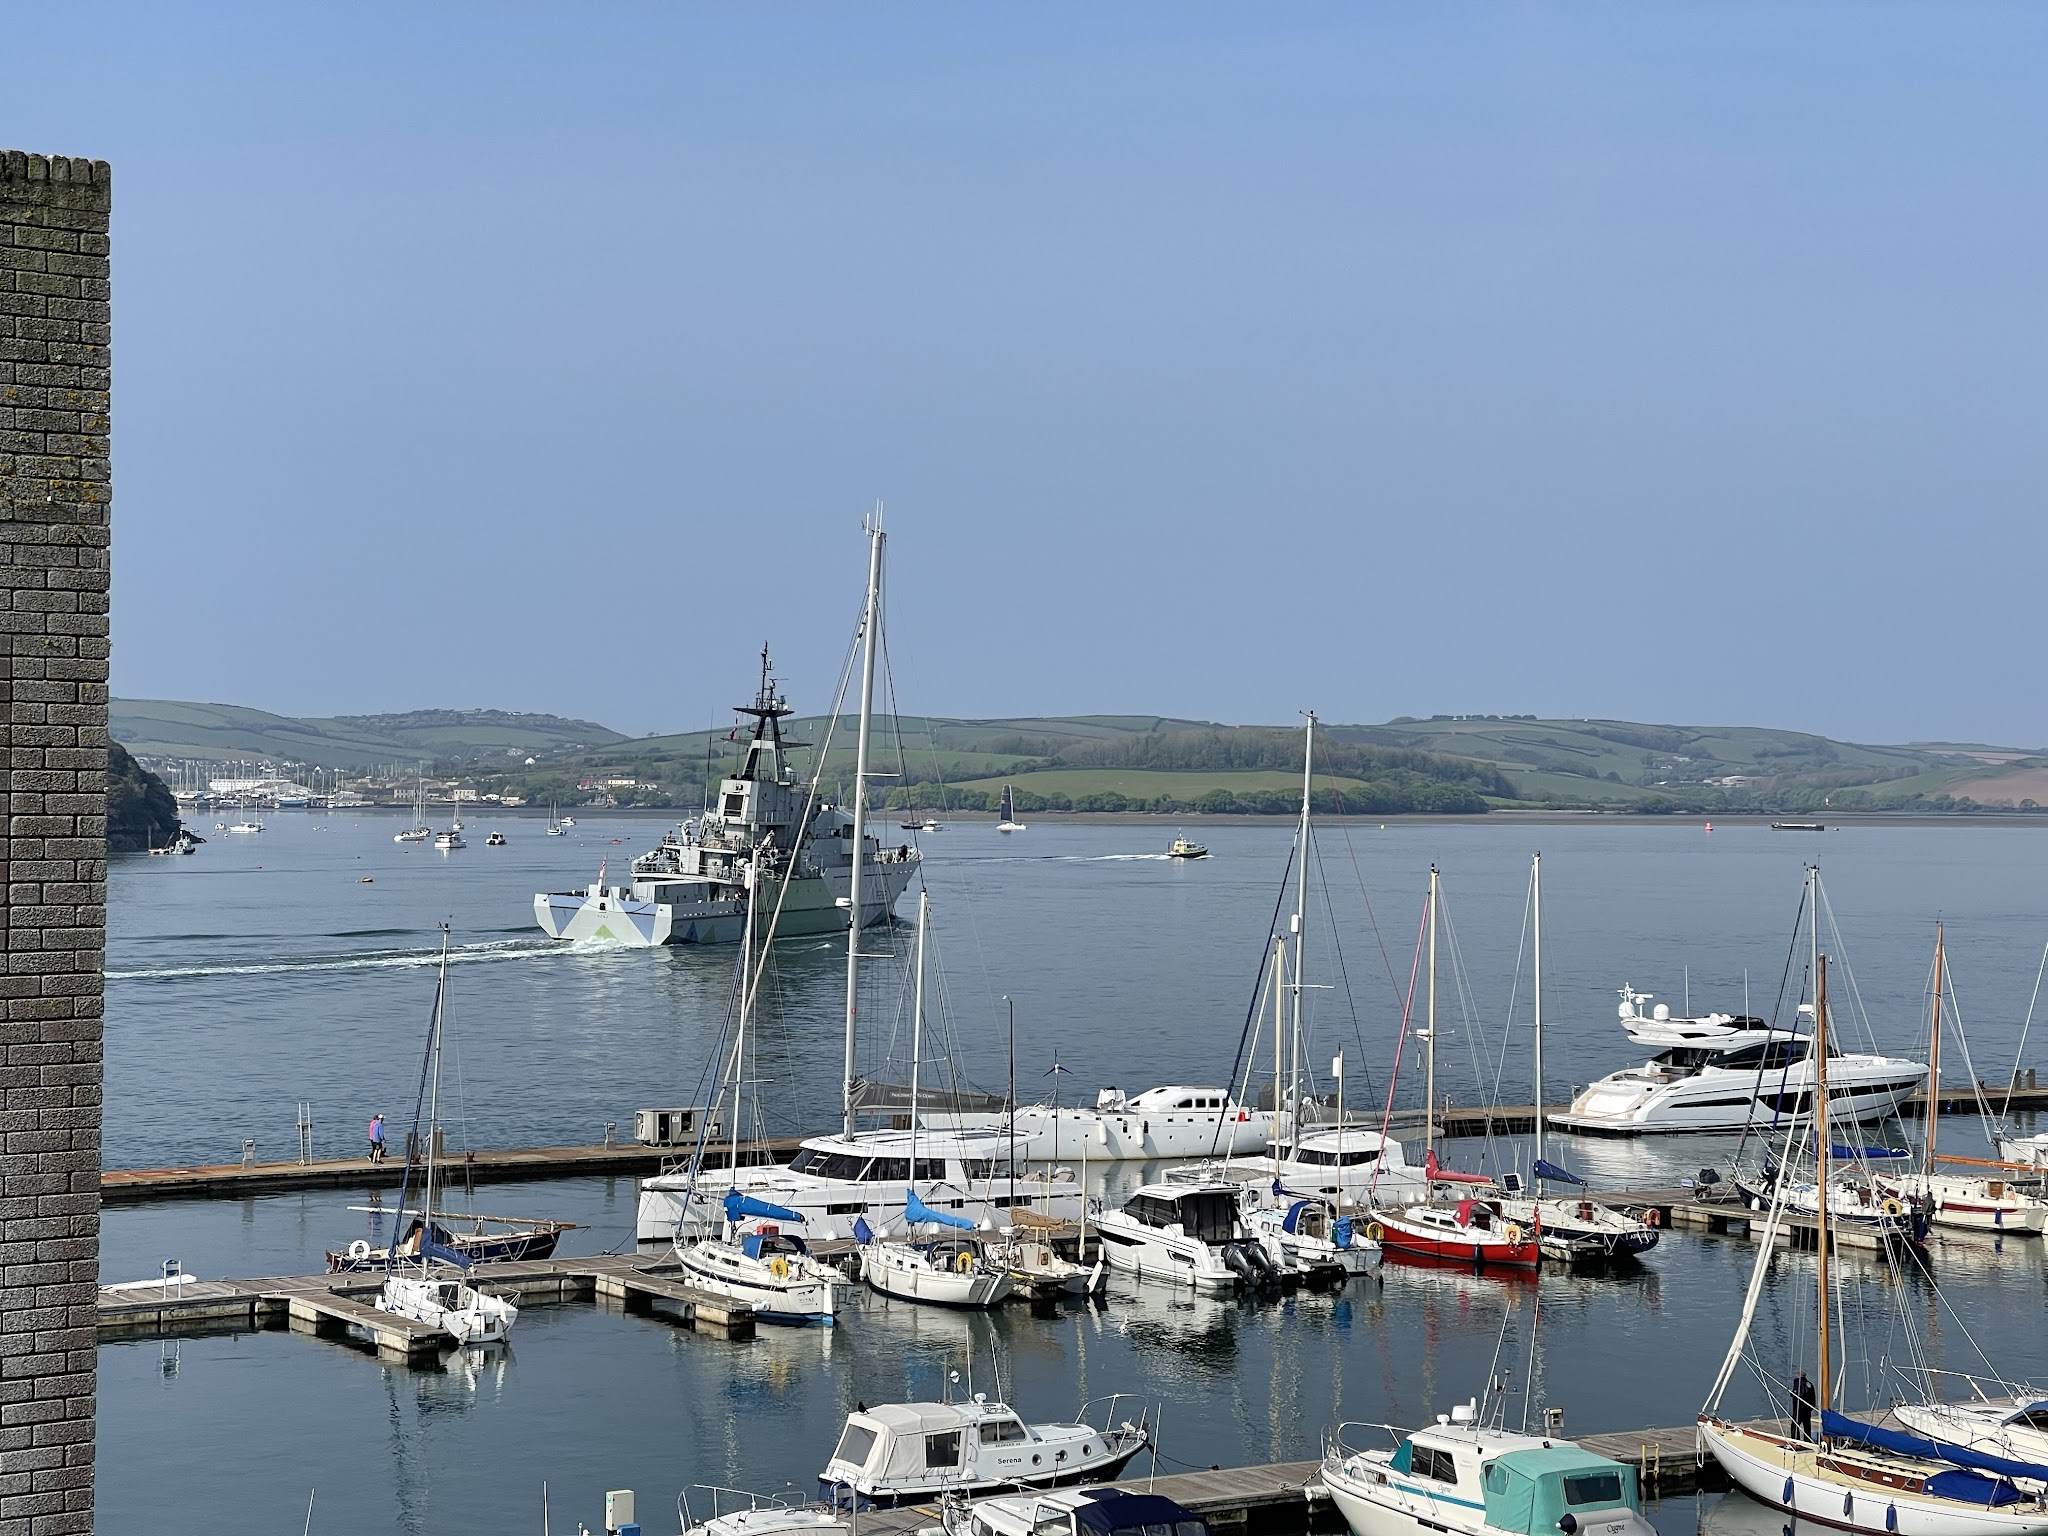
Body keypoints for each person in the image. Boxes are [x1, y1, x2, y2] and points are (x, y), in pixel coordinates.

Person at [1791, 1368, 1816, 1440]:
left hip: (1799, 1408)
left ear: (1798, 1375)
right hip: (1807, 1409)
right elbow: (1813, 1396)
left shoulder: (1797, 1383)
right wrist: (1811, 1406)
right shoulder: (1809, 1384)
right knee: (1807, 1425)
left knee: (1795, 1425)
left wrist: (1792, 1393)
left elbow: (1797, 1394)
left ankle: (1795, 1439)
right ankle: (1807, 1439)